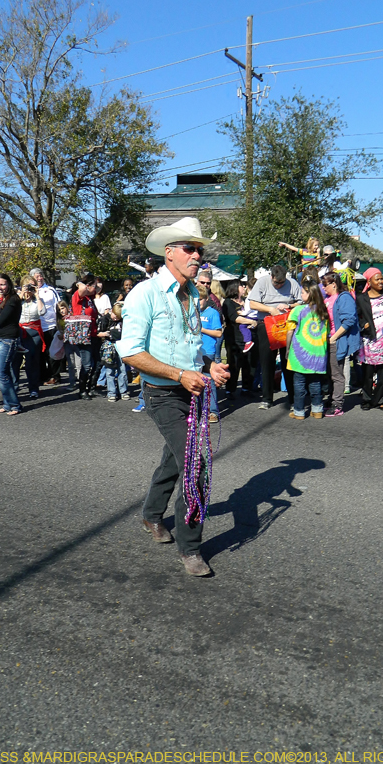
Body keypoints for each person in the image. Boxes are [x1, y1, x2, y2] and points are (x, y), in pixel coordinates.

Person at [116, 216, 229, 577]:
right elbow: (130, 352)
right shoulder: (144, 293)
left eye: (200, 250)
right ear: (169, 253)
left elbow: (190, 346)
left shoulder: (192, 293)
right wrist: (180, 375)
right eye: (190, 248)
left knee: (174, 459)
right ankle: (190, 547)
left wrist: (209, 366)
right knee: (196, 465)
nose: (197, 255)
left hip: (191, 392)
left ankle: (151, 515)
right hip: (161, 394)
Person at [248, 264, 301, 409]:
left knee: (287, 361)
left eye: (282, 282)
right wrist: (270, 309)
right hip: (266, 323)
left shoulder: (292, 283)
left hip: (287, 325)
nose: (279, 285)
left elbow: (302, 302)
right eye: (277, 282)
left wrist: (289, 306)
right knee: (267, 362)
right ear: (271, 276)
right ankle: (267, 398)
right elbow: (253, 304)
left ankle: (292, 399)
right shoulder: (262, 282)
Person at [285, 278, 329, 420]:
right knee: (315, 383)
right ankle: (317, 410)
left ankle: (299, 411)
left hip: (300, 354)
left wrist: (287, 349)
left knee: (299, 384)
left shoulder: (298, 310)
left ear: (310, 294)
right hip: (318, 353)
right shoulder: (323, 310)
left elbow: (290, 331)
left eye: (303, 292)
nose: (301, 295)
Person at [356, 268, 383, 411]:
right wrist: (363, 324)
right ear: (369, 282)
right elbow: (356, 316)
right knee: (368, 373)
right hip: (369, 340)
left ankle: (380, 399)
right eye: (377, 279)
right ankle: (367, 399)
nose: (381, 281)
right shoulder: (361, 298)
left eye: (381, 278)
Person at [321, 272, 360, 417]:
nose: (323, 288)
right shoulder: (327, 298)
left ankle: (337, 405)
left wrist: (334, 338)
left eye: (325, 284)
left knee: (337, 374)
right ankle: (332, 399)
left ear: (334, 284)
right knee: (329, 373)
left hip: (337, 340)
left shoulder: (344, 297)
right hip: (327, 340)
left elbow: (349, 320)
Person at [0, 273, 23, 415]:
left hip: (8, 340)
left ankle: (15, 405)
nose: (0, 287)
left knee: (0, 374)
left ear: (8, 284)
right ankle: (7, 404)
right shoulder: (6, 299)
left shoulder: (13, 300)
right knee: (5, 373)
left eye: (2, 284)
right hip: (1, 339)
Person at [222, 280, 256, 397]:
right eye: (242, 285)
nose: (244, 287)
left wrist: (254, 321)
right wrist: (251, 321)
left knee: (249, 364)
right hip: (234, 338)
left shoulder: (247, 301)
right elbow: (235, 318)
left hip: (248, 338)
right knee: (234, 364)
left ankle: (246, 388)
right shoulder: (228, 303)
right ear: (235, 287)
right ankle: (230, 390)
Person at [14, 276, 45, 399]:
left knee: (32, 362)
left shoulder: (37, 300)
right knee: (15, 361)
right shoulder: (17, 299)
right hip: (19, 332)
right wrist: (21, 294)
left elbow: (42, 312)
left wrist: (37, 296)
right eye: (27, 286)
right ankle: (14, 387)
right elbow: (10, 309)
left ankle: (33, 388)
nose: (29, 289)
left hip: (34, 332)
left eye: (32, 286)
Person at [29, 267, 62, 385]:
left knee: (52, 352)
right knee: (39, 354)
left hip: (50, 326)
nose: (39, 278)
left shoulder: (50, 290)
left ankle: (55, 376)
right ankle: (42, 376)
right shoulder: (29, 291)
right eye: (37, 277)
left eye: (41, 276)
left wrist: (60, 324)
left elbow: (59, 306)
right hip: (36, 327)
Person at [71, 275, 100, 400]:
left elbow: (99, 288)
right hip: (84, 335)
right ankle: (82, 390)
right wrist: (81, 283)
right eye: (93, 285)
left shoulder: (90, 298)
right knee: (86, 364)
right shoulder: (78, 296)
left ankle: (91, 388)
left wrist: (94, 285)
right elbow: (82, 288)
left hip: (94, 334)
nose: (96, 288)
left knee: (98, 363)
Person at [197, 284, 223, 421]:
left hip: (208, 351)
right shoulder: (193, 312)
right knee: (196, 380)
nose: (198, 302)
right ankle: (197, 409)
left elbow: (219, 333)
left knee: (209, 382)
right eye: (196, 299)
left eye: (201, 299)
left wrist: (202, 330)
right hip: (195, 351)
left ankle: (212, 411)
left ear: (206, 299)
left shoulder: (212, 313)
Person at [56, 300, 79, 391]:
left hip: (76, 342)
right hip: (67, 342)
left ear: (67, 308)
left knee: (79, 364)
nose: (61, 311)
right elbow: (61, 330)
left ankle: (82, 382)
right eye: (59, 310)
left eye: (62, 308)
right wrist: (61, 334)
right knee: (70, 364)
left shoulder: (72, 316)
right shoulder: (60, 320)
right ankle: (72, 383)